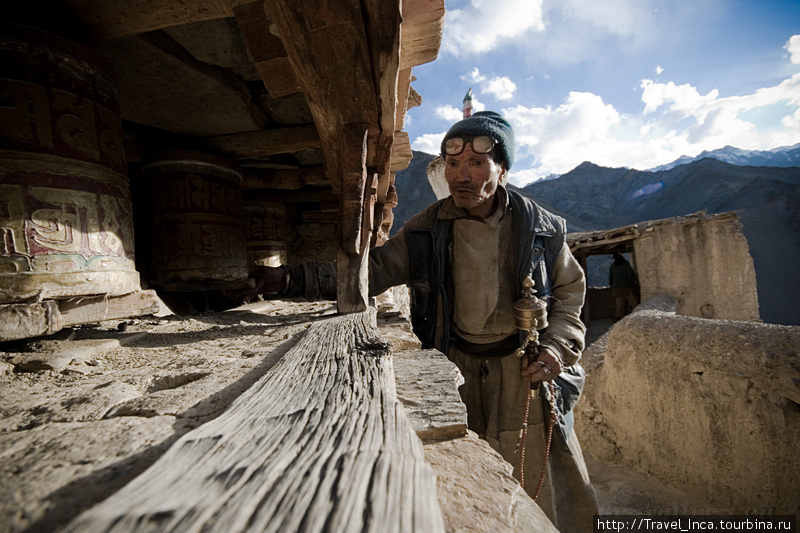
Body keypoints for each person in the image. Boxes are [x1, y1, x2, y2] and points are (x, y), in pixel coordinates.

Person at [246, 111, 599, 531]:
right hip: (457, 365)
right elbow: (371, 271)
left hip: (521, 369)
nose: (461, 176)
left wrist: (557, 347)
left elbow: (570, 297)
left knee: (535, 479)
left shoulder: (543, 230)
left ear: (501, 169)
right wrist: (288, 279)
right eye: (452, 164)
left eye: (476, 163)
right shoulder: (427, 230)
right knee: (469, 475)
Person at [609, 252, 639, 318]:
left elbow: (611, 277)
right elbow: (630, 275)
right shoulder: (626, 265)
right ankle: (639, 315)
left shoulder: (613, 266)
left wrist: (612, 286)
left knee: (619, 305)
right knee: (633, 303)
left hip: (617, 288)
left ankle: (618, 318)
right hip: (627, 287)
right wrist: (631, 285)